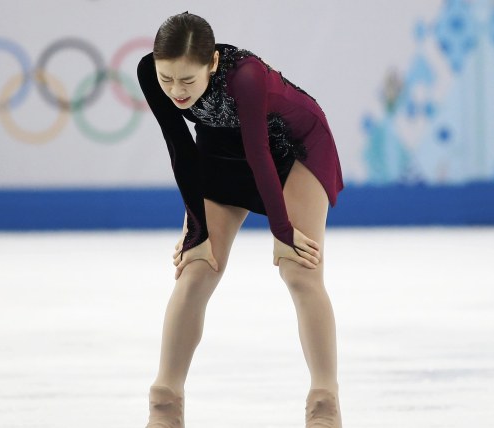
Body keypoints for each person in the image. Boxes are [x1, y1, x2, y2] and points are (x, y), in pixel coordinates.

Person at [136, 12, 344, 428]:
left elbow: (259, 152)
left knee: (300, 269)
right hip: (222, 150)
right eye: (167, 80)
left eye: (188, 82)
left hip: (296, 149)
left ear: (212, 63)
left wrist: (282, 232)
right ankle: (165, 401)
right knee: (197, 267)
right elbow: (180, 147)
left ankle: (324, 402)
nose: (176, 91)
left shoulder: (245, 77)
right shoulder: (149, 72)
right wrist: (197, 229)